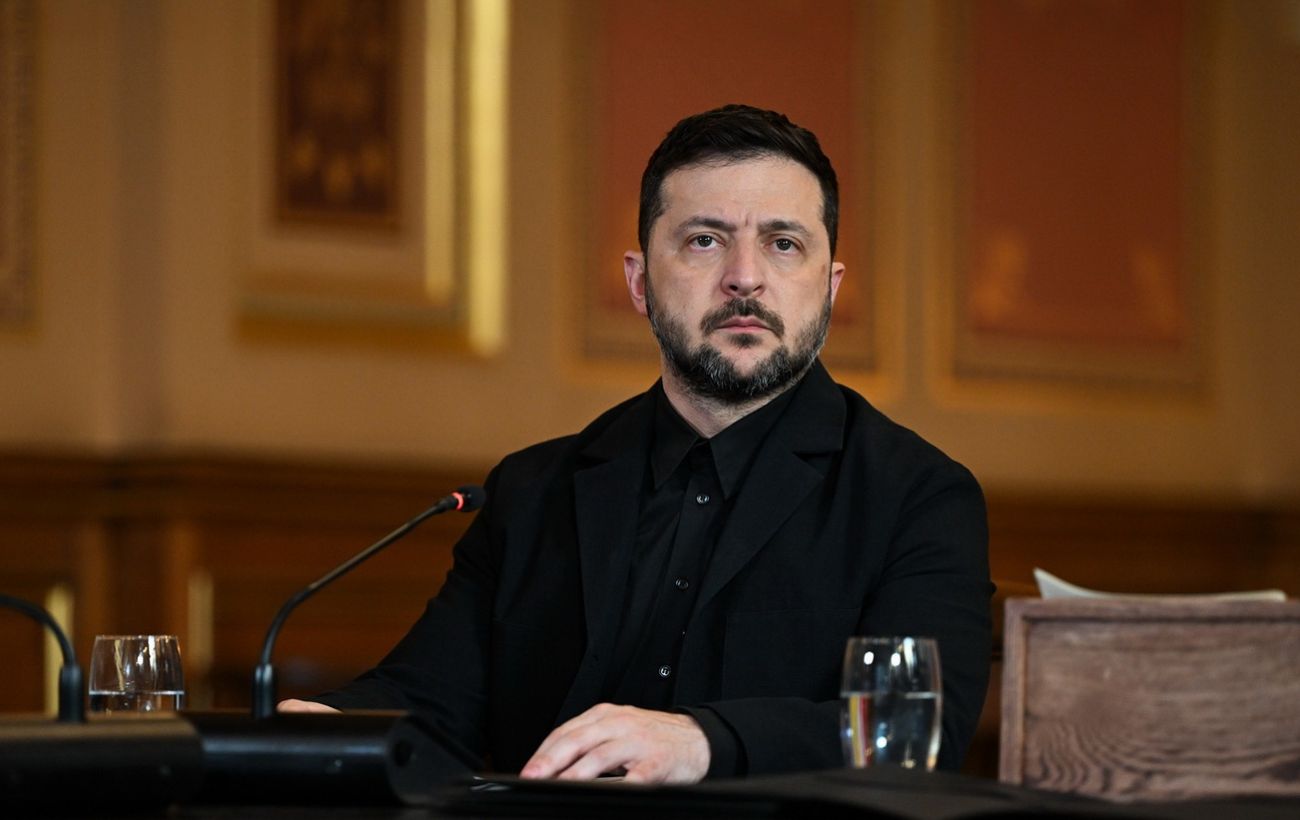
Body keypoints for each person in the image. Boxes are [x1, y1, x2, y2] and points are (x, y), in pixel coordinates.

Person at [281, 104, 992, 784]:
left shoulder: (918, 498)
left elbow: (912, 737)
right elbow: (429, 704)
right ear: (640, 282)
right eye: (705, 240)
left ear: (830, 288)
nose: (745, 277)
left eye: (784, 244)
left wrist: (702, 742)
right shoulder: (533, 492)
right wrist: (327, 728)